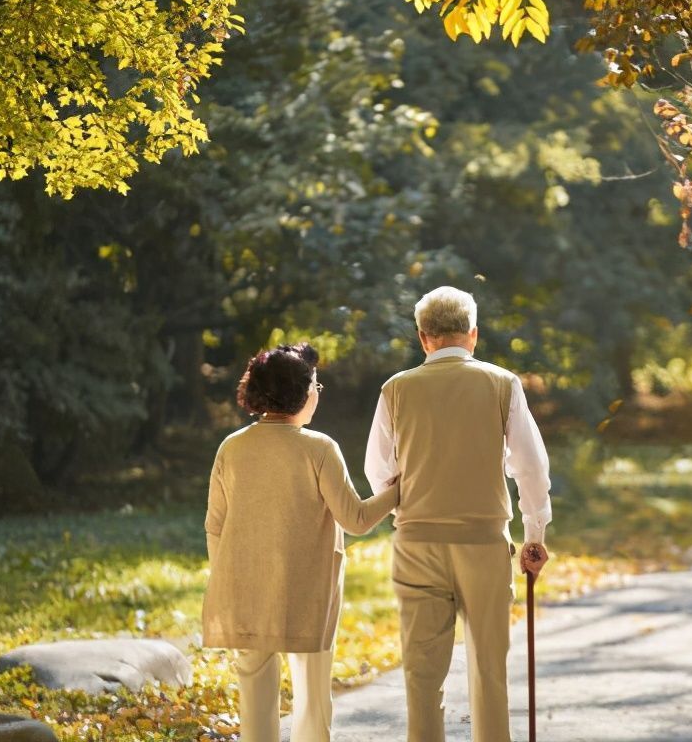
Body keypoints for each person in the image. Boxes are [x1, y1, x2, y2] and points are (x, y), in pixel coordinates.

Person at [365, 286, 552, 742]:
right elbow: (530, 467)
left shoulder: (396, 389)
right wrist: (535, 534)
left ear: (423, 337)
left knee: (422, 673)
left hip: (417, 544)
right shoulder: (501, 383)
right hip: (483, 543)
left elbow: (379, 471)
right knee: (489, 667)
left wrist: (409, 501)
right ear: (473, 335)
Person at [203, 342, 398, 742]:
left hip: (245, 587)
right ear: (300, 392)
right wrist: (399, 490)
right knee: (312, 691)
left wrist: (229, 575)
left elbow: (215, 526)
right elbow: (356, 519)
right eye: (315, 385)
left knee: (254, 693)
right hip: (307, 588)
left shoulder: (232, 447)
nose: (318, 393)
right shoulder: (319, 448)